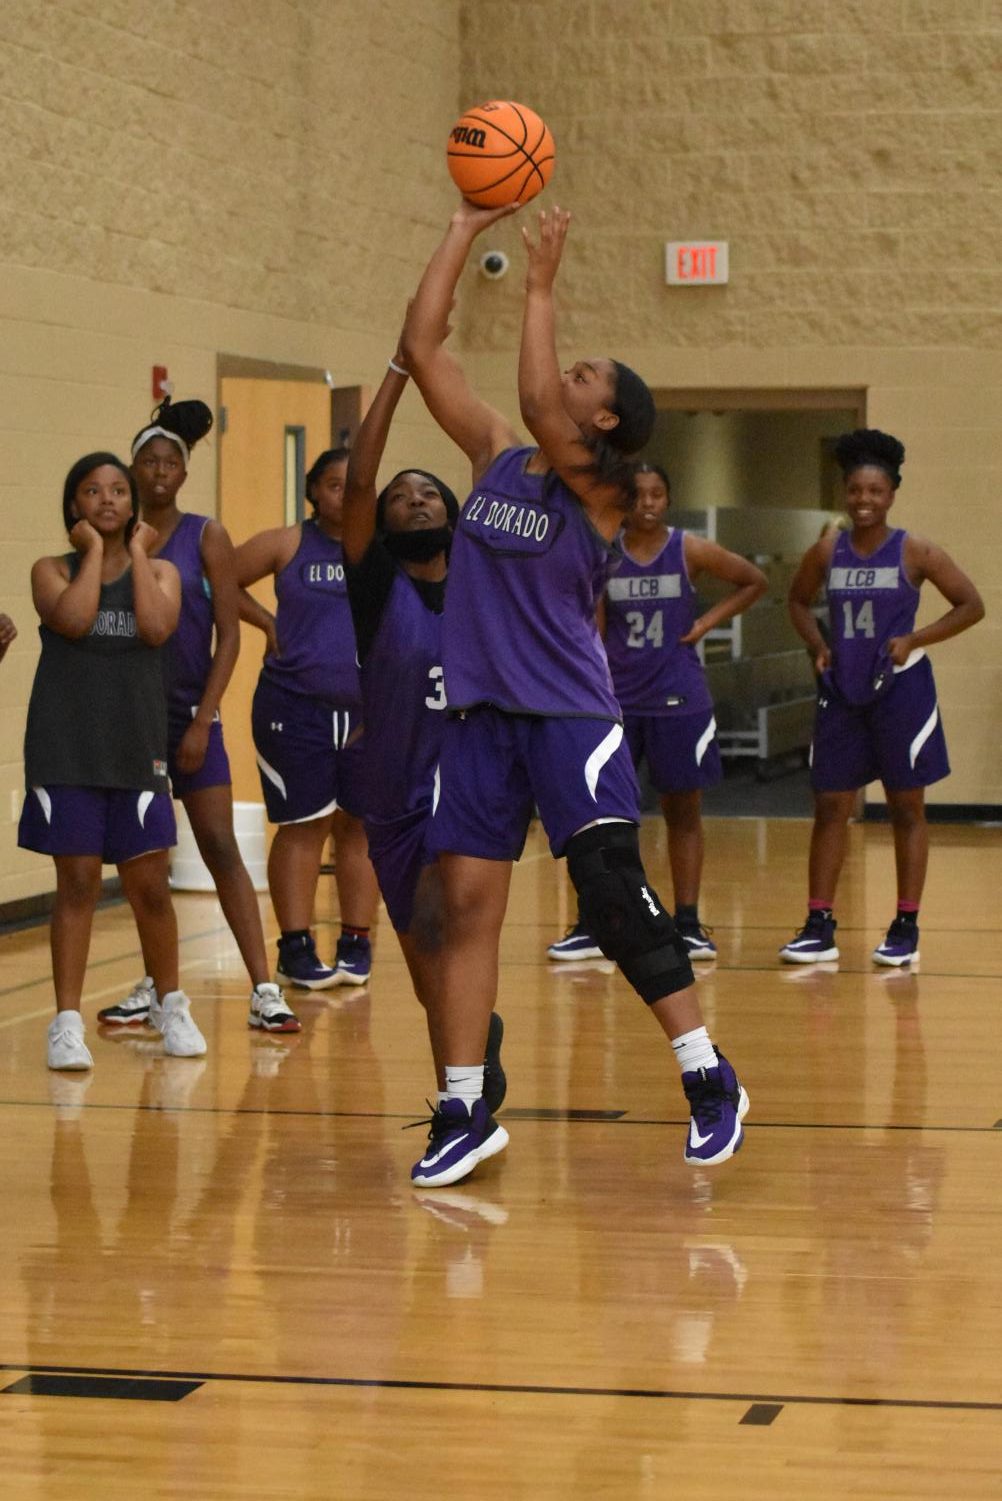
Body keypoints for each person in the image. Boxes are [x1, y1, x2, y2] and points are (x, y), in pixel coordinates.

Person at [400, 200, 749, 1188]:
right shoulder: (494, 456)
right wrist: (465, 228)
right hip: (478, 721)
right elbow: (425, 347)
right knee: (460, 908)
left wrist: (544, 284)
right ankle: (465, 1104)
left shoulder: (599, 484)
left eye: (586, 375)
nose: (568, 374)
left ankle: (707, 1073)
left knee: (605, 889)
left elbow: (541, 400)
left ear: (608, 421)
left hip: (568, 716)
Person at [99, 398, 300, 1035]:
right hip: (132, 719)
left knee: (218, 848)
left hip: (190, 715)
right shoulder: (113, 538)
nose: (159, 471)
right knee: (145, 860)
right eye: (148, 461)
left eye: (170, 462)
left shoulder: (205, 534)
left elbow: (228, 635)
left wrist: (202, 719)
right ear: (132, 469)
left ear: (184, 473)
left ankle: (265, 988)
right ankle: (157, 985)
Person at [340, 330, 504, 1109]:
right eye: (402, 494)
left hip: (470, 791)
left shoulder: (480, 570)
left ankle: (458, 1106)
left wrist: (445, 371)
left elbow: (486, 460)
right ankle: (468, 1063)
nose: (416, 497)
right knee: (426, 968)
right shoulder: (375, 586)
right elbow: (358, 480)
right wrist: (400, 368)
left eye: (430, 491)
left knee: (447, 924)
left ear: (453, 512)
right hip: (395, 793)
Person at [19, 453, 207, 1069]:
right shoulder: (51, 570)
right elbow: (72, 619)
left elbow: (157, 630)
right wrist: (97, 555)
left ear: (133, 505)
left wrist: (141, 556)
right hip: (67, 750)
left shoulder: (165, 575)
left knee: (150, 887)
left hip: (138, 751)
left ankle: (170, 1005)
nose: (107, 500)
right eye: (92, 492)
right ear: (75, 506)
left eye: (118, 491)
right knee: (75, 886)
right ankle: (66, 1023)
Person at [548, 460, 767, 964]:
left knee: (682, 812)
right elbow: (593, 626)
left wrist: (706, 622)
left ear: (668, 499)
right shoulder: (607, 550)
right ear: (626, 498)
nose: (647, 503)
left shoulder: (687, 548)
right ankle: (592, 922)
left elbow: (752, 580)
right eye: (639, 494)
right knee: (599, 818)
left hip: (678, 695)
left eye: (657, 494)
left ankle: (688, 922)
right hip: (617, 698)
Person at [780, 428, 984, 966]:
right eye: (854, 491)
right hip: (843, 689)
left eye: (874, 492)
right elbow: (797, 602)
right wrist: (818, 645)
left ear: (891, 494)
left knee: (905, 807)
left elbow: (971, 604)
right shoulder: (828, 549)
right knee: (830, 806)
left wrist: (915, 638)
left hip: (901, 689)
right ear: (844, 493)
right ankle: (819, 923)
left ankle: (905, 925)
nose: (863, 501)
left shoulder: (915, 551)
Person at [235, 448, 380, 989]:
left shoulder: (381, 548)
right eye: (334, 484)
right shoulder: (286, 543)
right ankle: (295, 947)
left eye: (354, 483)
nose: (345, 492)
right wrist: (266, 622)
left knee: (359, 827)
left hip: (369, 710)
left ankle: (357, 941)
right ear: (314, 491)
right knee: (302, 826)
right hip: (294, 707)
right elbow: (217, 576)